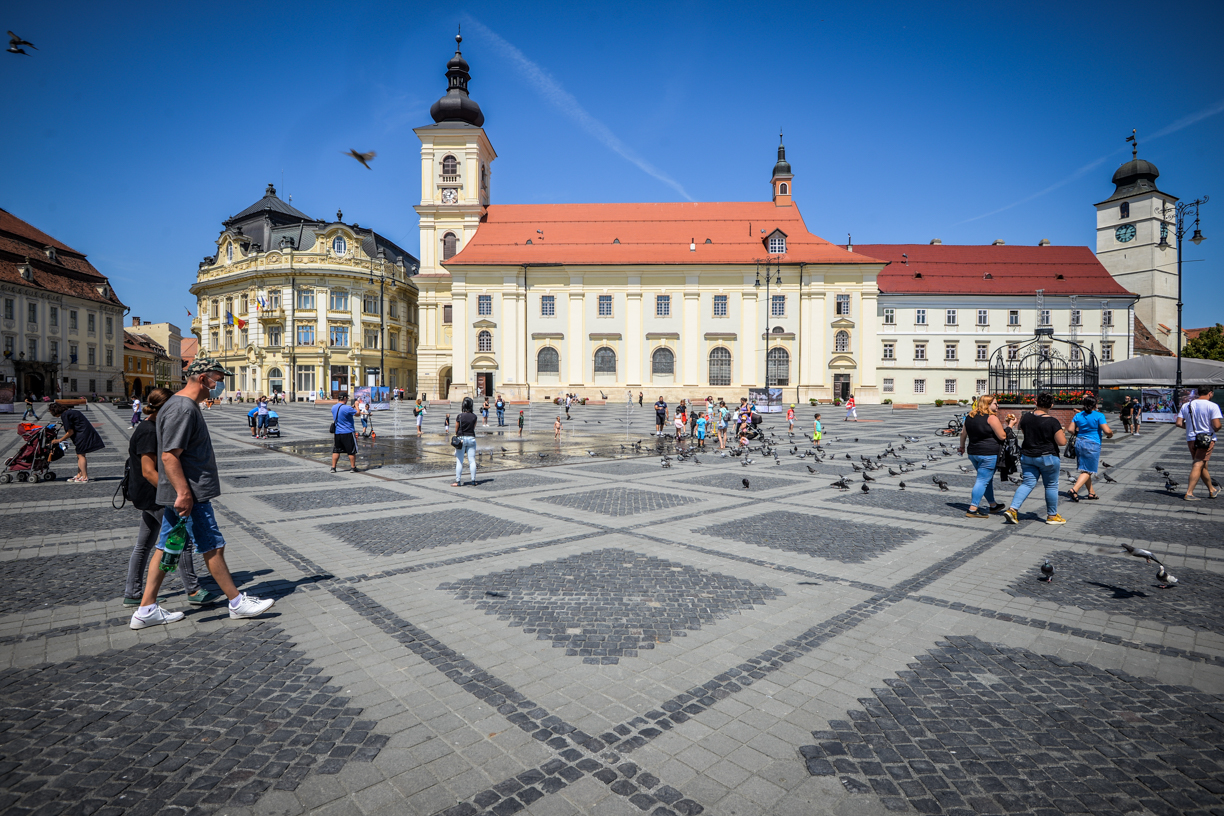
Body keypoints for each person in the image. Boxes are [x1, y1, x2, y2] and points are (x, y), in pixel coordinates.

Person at [130, 358, 275, 629]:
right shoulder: (183, 408)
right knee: (213, 545)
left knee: (166, 548)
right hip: (190, 494)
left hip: (182, 492)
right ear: (202, 379)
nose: (220, 385)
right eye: (218, 379)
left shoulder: (180, 405)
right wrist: (184, 493)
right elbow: (170, 456)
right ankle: (236, 602)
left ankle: (146, 608)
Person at [123, 388, 216, 608]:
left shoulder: (152, 427)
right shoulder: (149, 431)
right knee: (180, 541)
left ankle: (133, 592)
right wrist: (174, 493)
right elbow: (148, 470)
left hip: (147, 495)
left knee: (144, 544)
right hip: (154, 496)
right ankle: (192, 590)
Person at [1002, 392, 1068, 525]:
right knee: (1051, 486)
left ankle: (1012, 509)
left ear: (1036, 403)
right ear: (1051, 405)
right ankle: (1052, 516)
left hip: (1028, 456)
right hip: (1047, 457)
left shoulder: (1026, 417)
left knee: (1027, 483)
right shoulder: (1052, 421)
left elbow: (1027, 434)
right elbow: (1062, 442)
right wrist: (1062, 432)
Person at [958, 395, 1009, 518]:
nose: (997, 406)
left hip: (973, 453)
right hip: (988, 453)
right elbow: (1002, 436)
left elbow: (963, 434)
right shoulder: (991, 418)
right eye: (995, 404)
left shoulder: (969, 417)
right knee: (982, 480)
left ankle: (993, 505)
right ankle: (973, 508)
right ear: (988, 404)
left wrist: (962, 447)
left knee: (986, 479)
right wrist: (1009, 425)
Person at [1176, 386, 1222, 500]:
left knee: (1202, 464)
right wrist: (1217, 427)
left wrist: (1191, 428)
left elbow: (1178, 423)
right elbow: (1216, 426)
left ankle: (1212, 490)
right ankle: (1189, 493)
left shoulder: (1187, 405)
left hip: (1191, 438)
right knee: (1198, 464)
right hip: (1206, 439)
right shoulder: (1212, 406)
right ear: (1210, 393)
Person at [1069, 395, 1112, 502]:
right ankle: (1074, 489)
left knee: (1085, 469)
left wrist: (1079, 432)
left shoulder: (1078, 415)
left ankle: (1091, 493)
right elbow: (1107, 431)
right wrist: (1110, 435)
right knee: (1088, 470)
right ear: (1095, 405)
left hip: (1079, 443)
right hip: (1092, 444)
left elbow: (1070, 429)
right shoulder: (1099, 415)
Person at [49, 402, 105, 482]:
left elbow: (70, 432)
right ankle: (79, 475)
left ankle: (85, 477)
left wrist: (59, 440)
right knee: (79, 455)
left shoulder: (65, 415)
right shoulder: (72, 412)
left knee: (81, 455)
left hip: (82, 436)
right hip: (85, 434)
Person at [453, 397, 478, 486]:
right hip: (471, 438)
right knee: (472, 461)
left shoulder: (459, 416)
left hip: (461, 439)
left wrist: (458, 435)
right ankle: (473, 480)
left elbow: (456, 429)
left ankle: (458, 481)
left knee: (460, 461)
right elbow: (473, 428)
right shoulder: (474, 416)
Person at [330, 397, 358, 473]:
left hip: (338, 433)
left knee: (336, 450)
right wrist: (357, 405)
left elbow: (342, 412)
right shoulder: (347, 408)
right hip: (348, 432)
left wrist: (351, 408)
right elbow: (357, 414)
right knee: (351, 451)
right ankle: (353, 467)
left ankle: (333, 467)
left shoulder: (334, 407)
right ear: (345, 398)